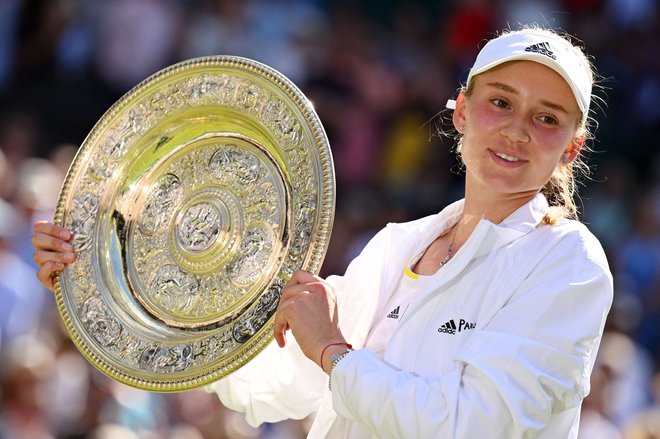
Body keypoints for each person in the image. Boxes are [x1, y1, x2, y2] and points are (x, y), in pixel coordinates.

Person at [32, 26, 613, 438]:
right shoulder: (394, 247)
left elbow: (471, 427)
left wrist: (333, 352)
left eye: (546, 118)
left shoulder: (568, 262)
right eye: (500, 102)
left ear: (570, 148)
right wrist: (110, 279)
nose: (515, 130)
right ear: (461, 110)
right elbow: (279, 386)